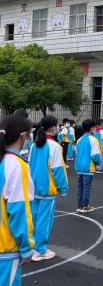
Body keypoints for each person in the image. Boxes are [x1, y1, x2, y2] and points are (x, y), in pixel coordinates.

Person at [0, 110, 35, 286]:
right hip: (5, 247)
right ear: (23, 136)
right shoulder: (16, 165)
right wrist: (27, 247)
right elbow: (19, 210)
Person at [29, 115, 68, 262]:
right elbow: (58, 170)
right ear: (53, 128)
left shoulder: (34, 145)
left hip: (33, 190)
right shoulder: (55, 147)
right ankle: (40, 251)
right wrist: (63, 188)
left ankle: (32, 247)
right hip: (47, 191)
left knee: (33, 220)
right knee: (44, 222)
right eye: (57, 126)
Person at [75, 119, 102, 213]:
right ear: (91, 128)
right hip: (88, 167)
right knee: (86, 187)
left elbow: (77, 153)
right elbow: (96, 155)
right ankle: (85, 205)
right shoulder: (93, 139)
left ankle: (80, 205)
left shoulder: (79, 140)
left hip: (79, 167)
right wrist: (98, 163)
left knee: (80, 187)